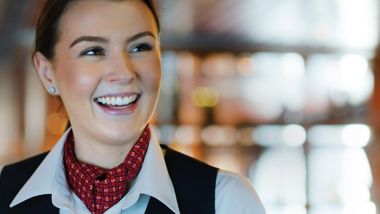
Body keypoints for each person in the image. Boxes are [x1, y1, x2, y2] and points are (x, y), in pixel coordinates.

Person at [0, 0, 265, 213]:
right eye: (93, 51)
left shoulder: (225, 199)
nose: (124, 72)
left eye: (140, 47)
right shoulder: (5, 192)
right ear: (48, 74)